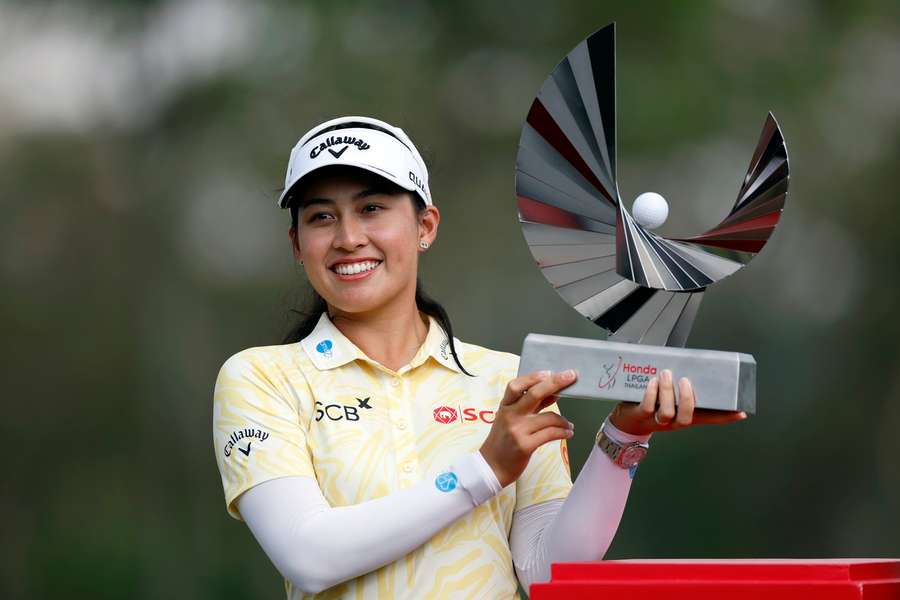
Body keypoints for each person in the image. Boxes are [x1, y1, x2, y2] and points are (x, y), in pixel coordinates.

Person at [212, 116, 746, 600]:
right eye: (322, 217)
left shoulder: (504, 381)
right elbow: (310, 557)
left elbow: (545, 571)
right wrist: (484, 469)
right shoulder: (262, 379)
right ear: (296, 243)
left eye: (372, 208)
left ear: (425, 227)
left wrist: (624, 437)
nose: (349, 238)